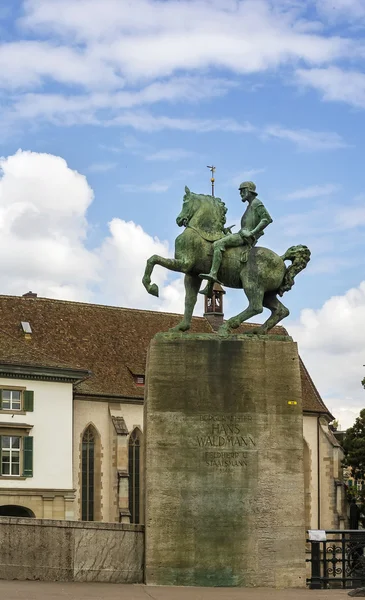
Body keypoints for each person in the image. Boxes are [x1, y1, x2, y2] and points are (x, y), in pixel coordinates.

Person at [199, 181, 273, 292]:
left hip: (244, 236)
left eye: (243, 191)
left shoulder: (257, 203)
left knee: (218, 244)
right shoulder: (250, 205)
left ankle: (213, 274)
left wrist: (252, 233)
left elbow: (266, 219)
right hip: (241, 234)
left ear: (249, 191)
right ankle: (209, 287)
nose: (241, 194)